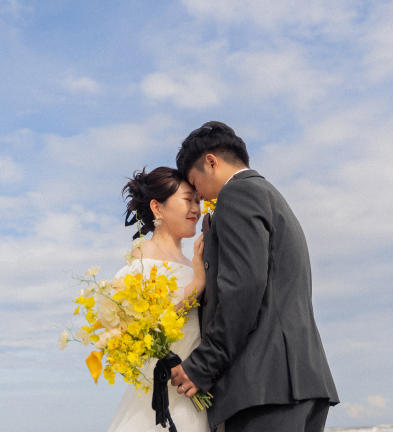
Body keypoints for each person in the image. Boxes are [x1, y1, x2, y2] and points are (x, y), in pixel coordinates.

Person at [169, 122, 339, 432]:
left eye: (196, 184)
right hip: (300, 382)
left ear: (211, 162)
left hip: (266, 388)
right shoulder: (270, 196)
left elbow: (243, 289)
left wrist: (202, 366)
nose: (200, 196)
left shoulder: (237, 194)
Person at [106, 166, 211, 432]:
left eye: (198, 200)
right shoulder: (144, 254)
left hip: (192, 390)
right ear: (158, 208)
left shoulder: (193, 260)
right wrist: (197, 285)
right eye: (188, 199)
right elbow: (144, 330)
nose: (197, 208)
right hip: (162, 392)